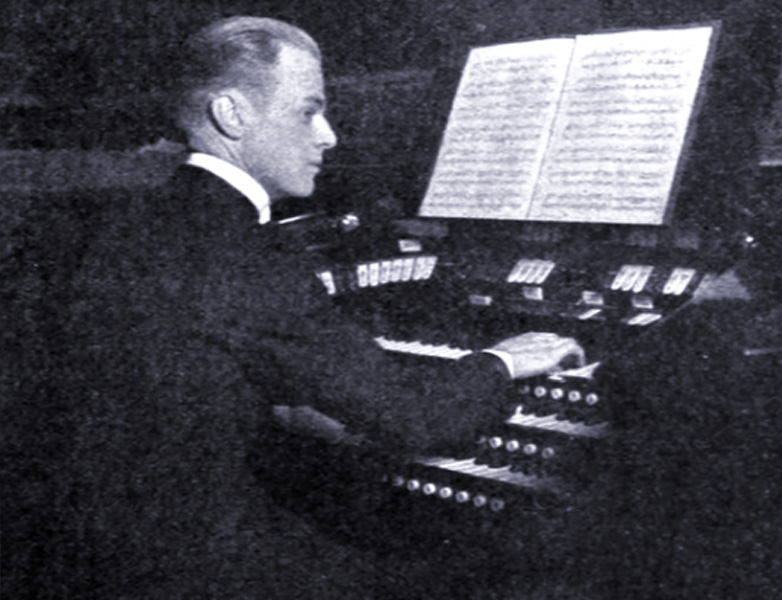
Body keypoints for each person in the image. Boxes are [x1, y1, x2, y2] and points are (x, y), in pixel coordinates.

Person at [2, 16, 584, 599]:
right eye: (308, 111)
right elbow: (415, 418)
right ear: (232, 115)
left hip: (87, 545)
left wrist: (294, 405)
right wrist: (502, 361)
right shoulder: (243, 248)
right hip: (195, 566)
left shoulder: (137, 219)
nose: (328, 136)